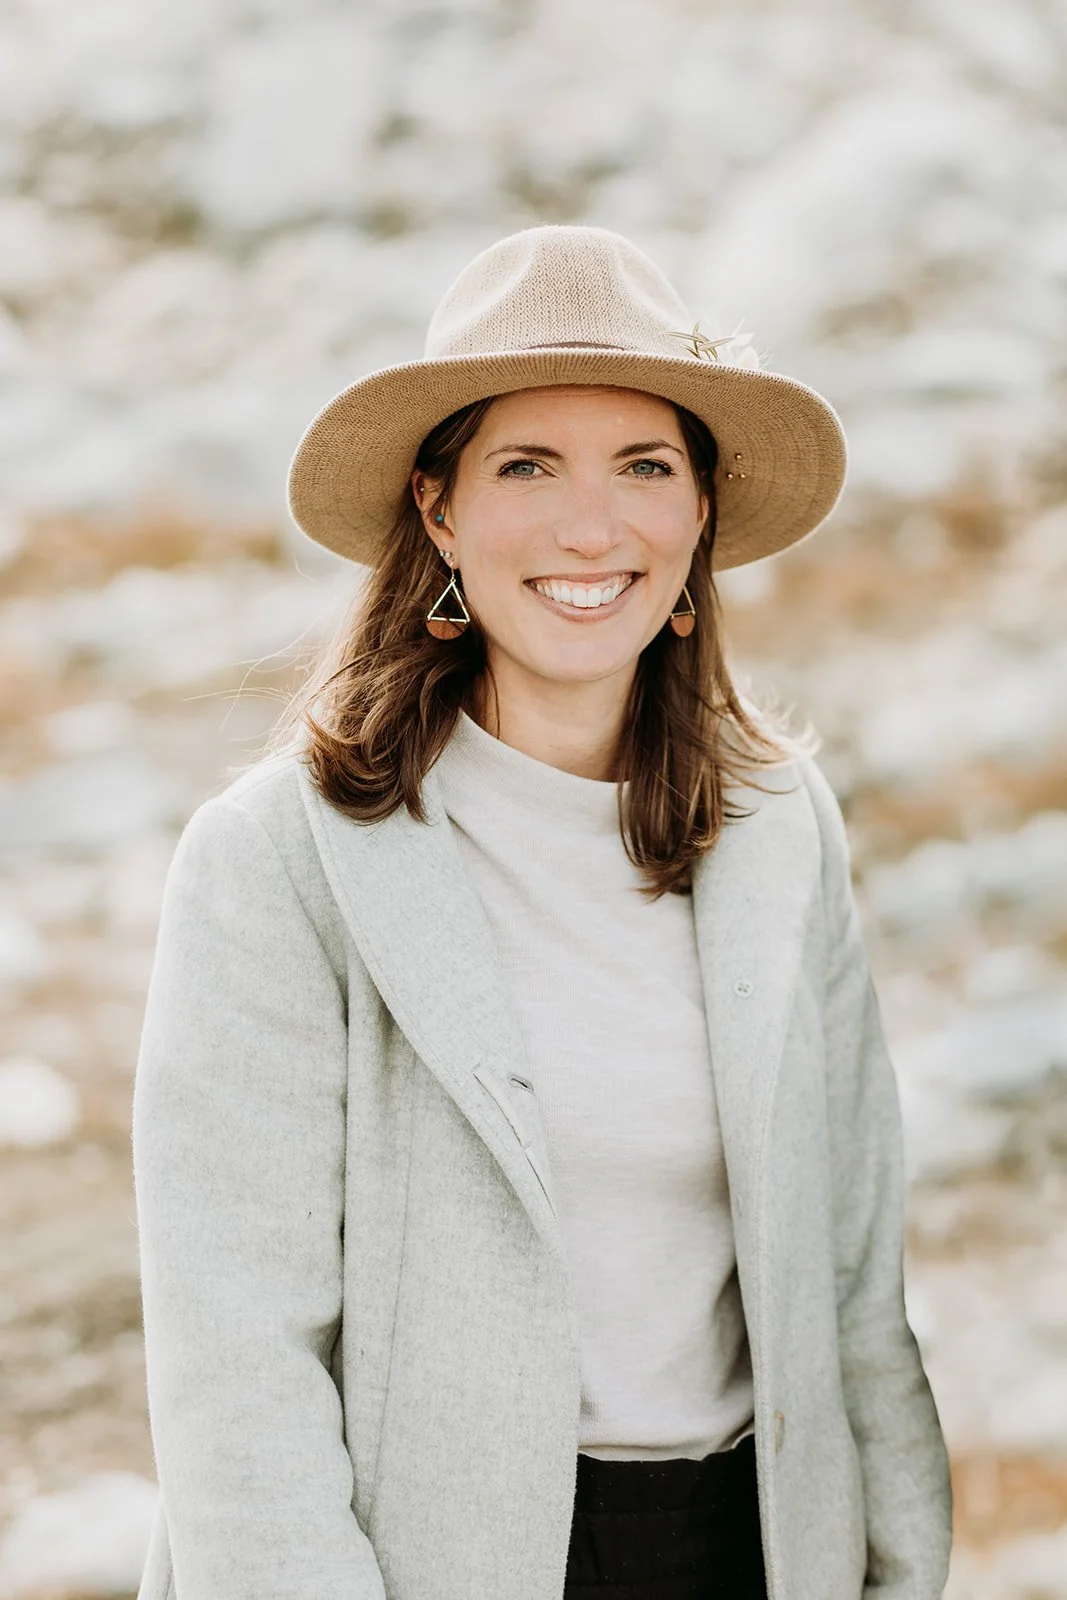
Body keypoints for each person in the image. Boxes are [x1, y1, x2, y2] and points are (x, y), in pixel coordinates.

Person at [131, 224, 953, 1600]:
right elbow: (235, 1357)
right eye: (526, 466)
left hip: (751, 1550)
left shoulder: (776, 832)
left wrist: (894, 1564)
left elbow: (854, 1279)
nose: (592, 527)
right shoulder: (277, 862)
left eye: (644, 466)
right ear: (438, 511)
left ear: (699, 515)